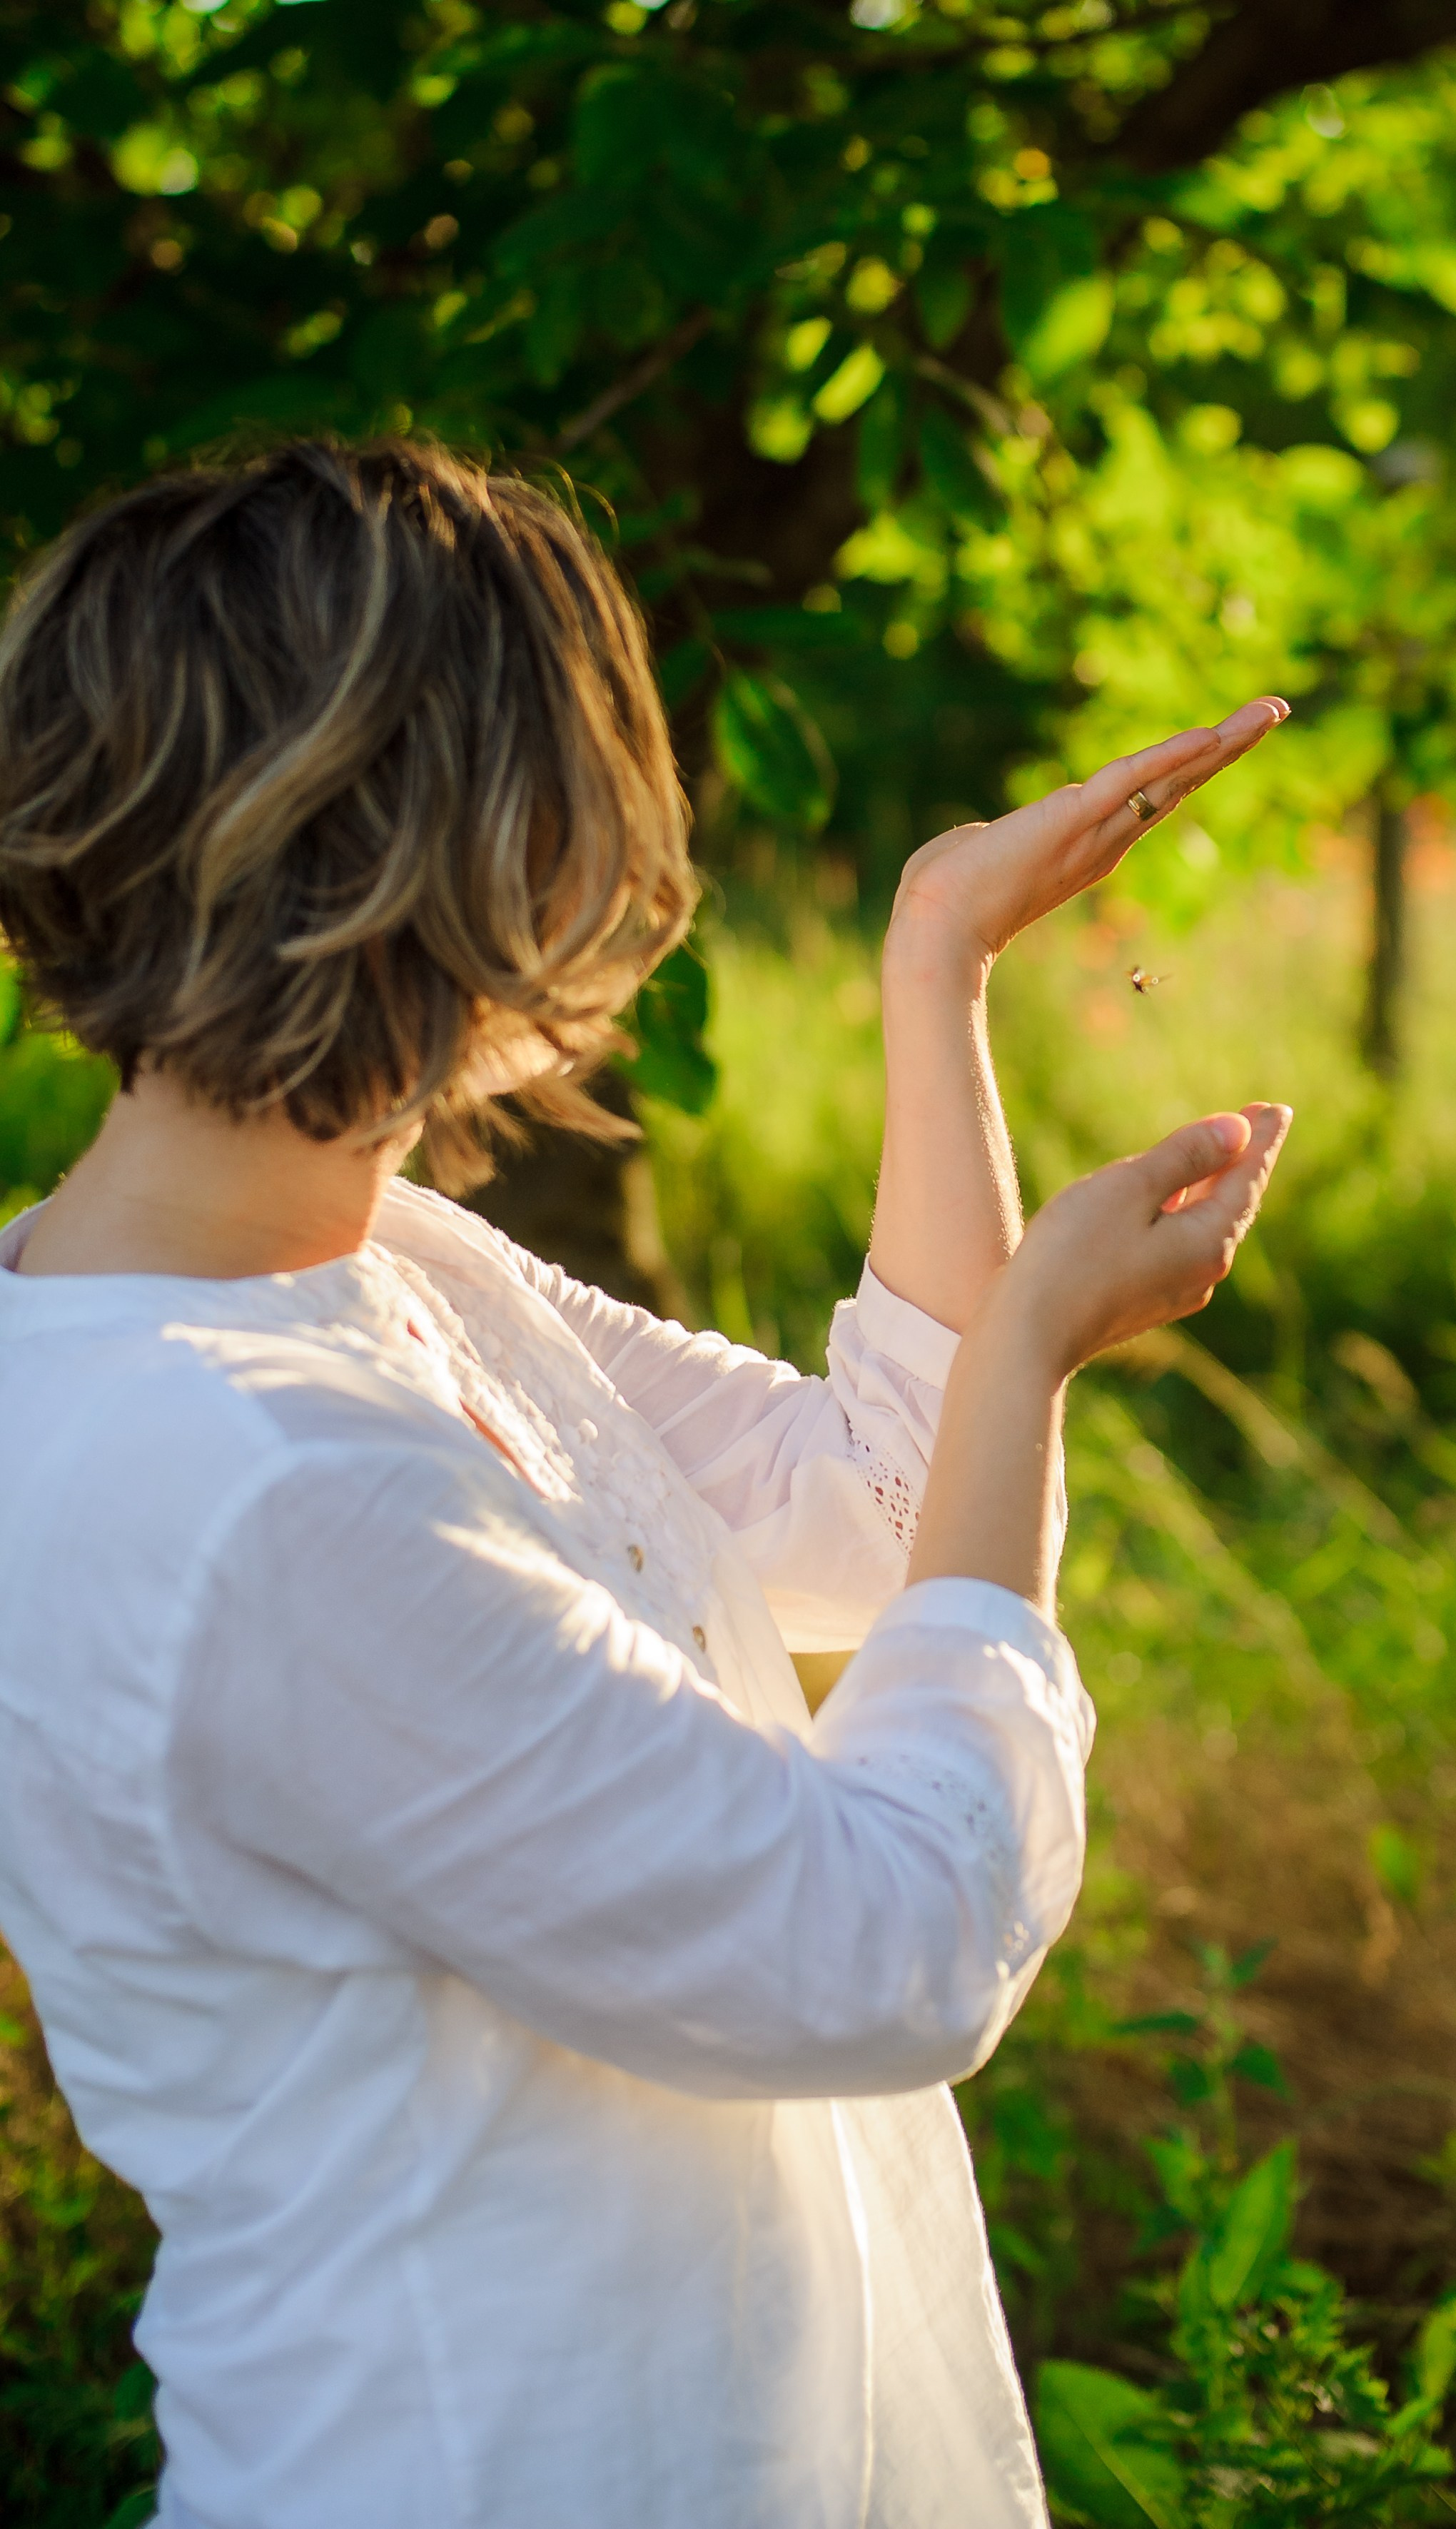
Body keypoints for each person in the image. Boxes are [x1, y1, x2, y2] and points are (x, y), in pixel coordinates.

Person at [0, 438, 1290, 2529]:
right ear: (445, 845)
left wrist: (937, 958)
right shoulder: (244, 1480)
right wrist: (1034, 1347)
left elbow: (876, 1515)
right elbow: (882, 1942)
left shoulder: (377, 1260)